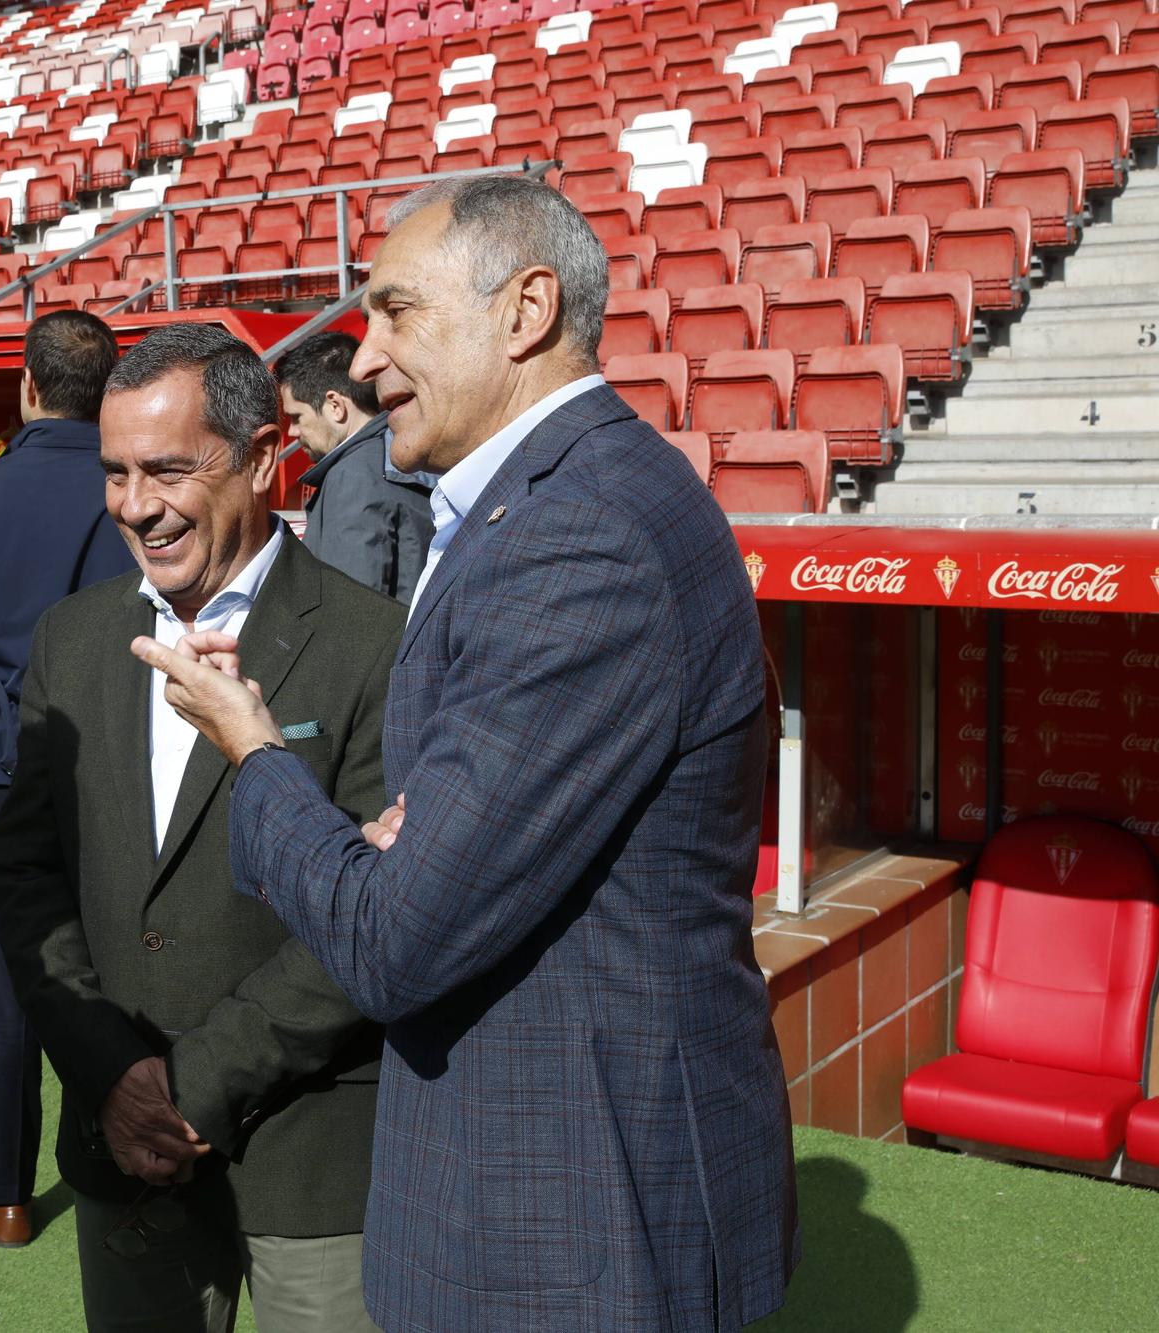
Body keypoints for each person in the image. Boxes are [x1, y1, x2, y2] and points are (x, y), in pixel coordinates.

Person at [135, 176, 799, 1330]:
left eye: (396, 313)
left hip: (575, 1218)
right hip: (547, 1187)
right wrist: (395, 848)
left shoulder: (578, 534)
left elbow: (394, 938)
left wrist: (252, 748)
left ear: (524, 310)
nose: (363, 361)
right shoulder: (542, 504)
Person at [0, 324, 400, 1332]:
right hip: (120, 1143)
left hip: (313, 1161)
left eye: (167, 470)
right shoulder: (72, 636)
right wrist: (108, 1075)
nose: (135, 506)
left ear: (263, 457)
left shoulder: (373, 643)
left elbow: (372, 910)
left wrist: (187, 1086)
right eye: (116, 472)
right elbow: (24, 876)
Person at [0, 308, 138, 1248]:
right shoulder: (140, 494)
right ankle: (118, 1155)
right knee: (121, 971)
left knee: (8, 993)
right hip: (120, 764)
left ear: (27, 390)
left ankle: (7, 1194)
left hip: (4, 778)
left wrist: (7, 735)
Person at [274, 331, 432, 604]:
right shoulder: (405, 454)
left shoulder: (353, 477)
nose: (292, 431)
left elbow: (349, 613)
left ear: (335, 405)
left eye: (297, 417)